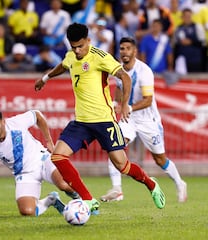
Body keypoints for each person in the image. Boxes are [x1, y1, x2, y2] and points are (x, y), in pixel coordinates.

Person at [34, 23, 166, 213]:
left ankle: (150, 184)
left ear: (88, 40)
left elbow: (125, 78)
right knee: (58, 156)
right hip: (81, 122)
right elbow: (63, 66)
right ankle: (88, 199)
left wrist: (125, 104)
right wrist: (45, 78)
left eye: (81, 46)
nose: (78, 51)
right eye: (74, 47)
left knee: (123, 166)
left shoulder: (100, 57)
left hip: (104, 121)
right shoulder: (71, 56)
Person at [100, 37, 187, 203]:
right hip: (129, 118)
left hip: (148, 120)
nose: (124, 52)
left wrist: (128, 107)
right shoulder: (118, 70)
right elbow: (119, 88)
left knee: (160, 159)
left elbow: (148, 100)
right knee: (114, 146)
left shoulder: (144, 71)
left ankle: (180, 183)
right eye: (122, 48)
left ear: (135, 51)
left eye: (127, 48)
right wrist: (117, 104)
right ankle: (117, 189)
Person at [0, 108, 79, 217]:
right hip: (24, 175)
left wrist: (49, 141)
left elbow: (37, 115)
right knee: (27, 212)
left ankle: (84, 203)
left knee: (64, 184)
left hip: (42, 159)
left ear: (3, 122)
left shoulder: (15, 123)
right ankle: (51, 200)